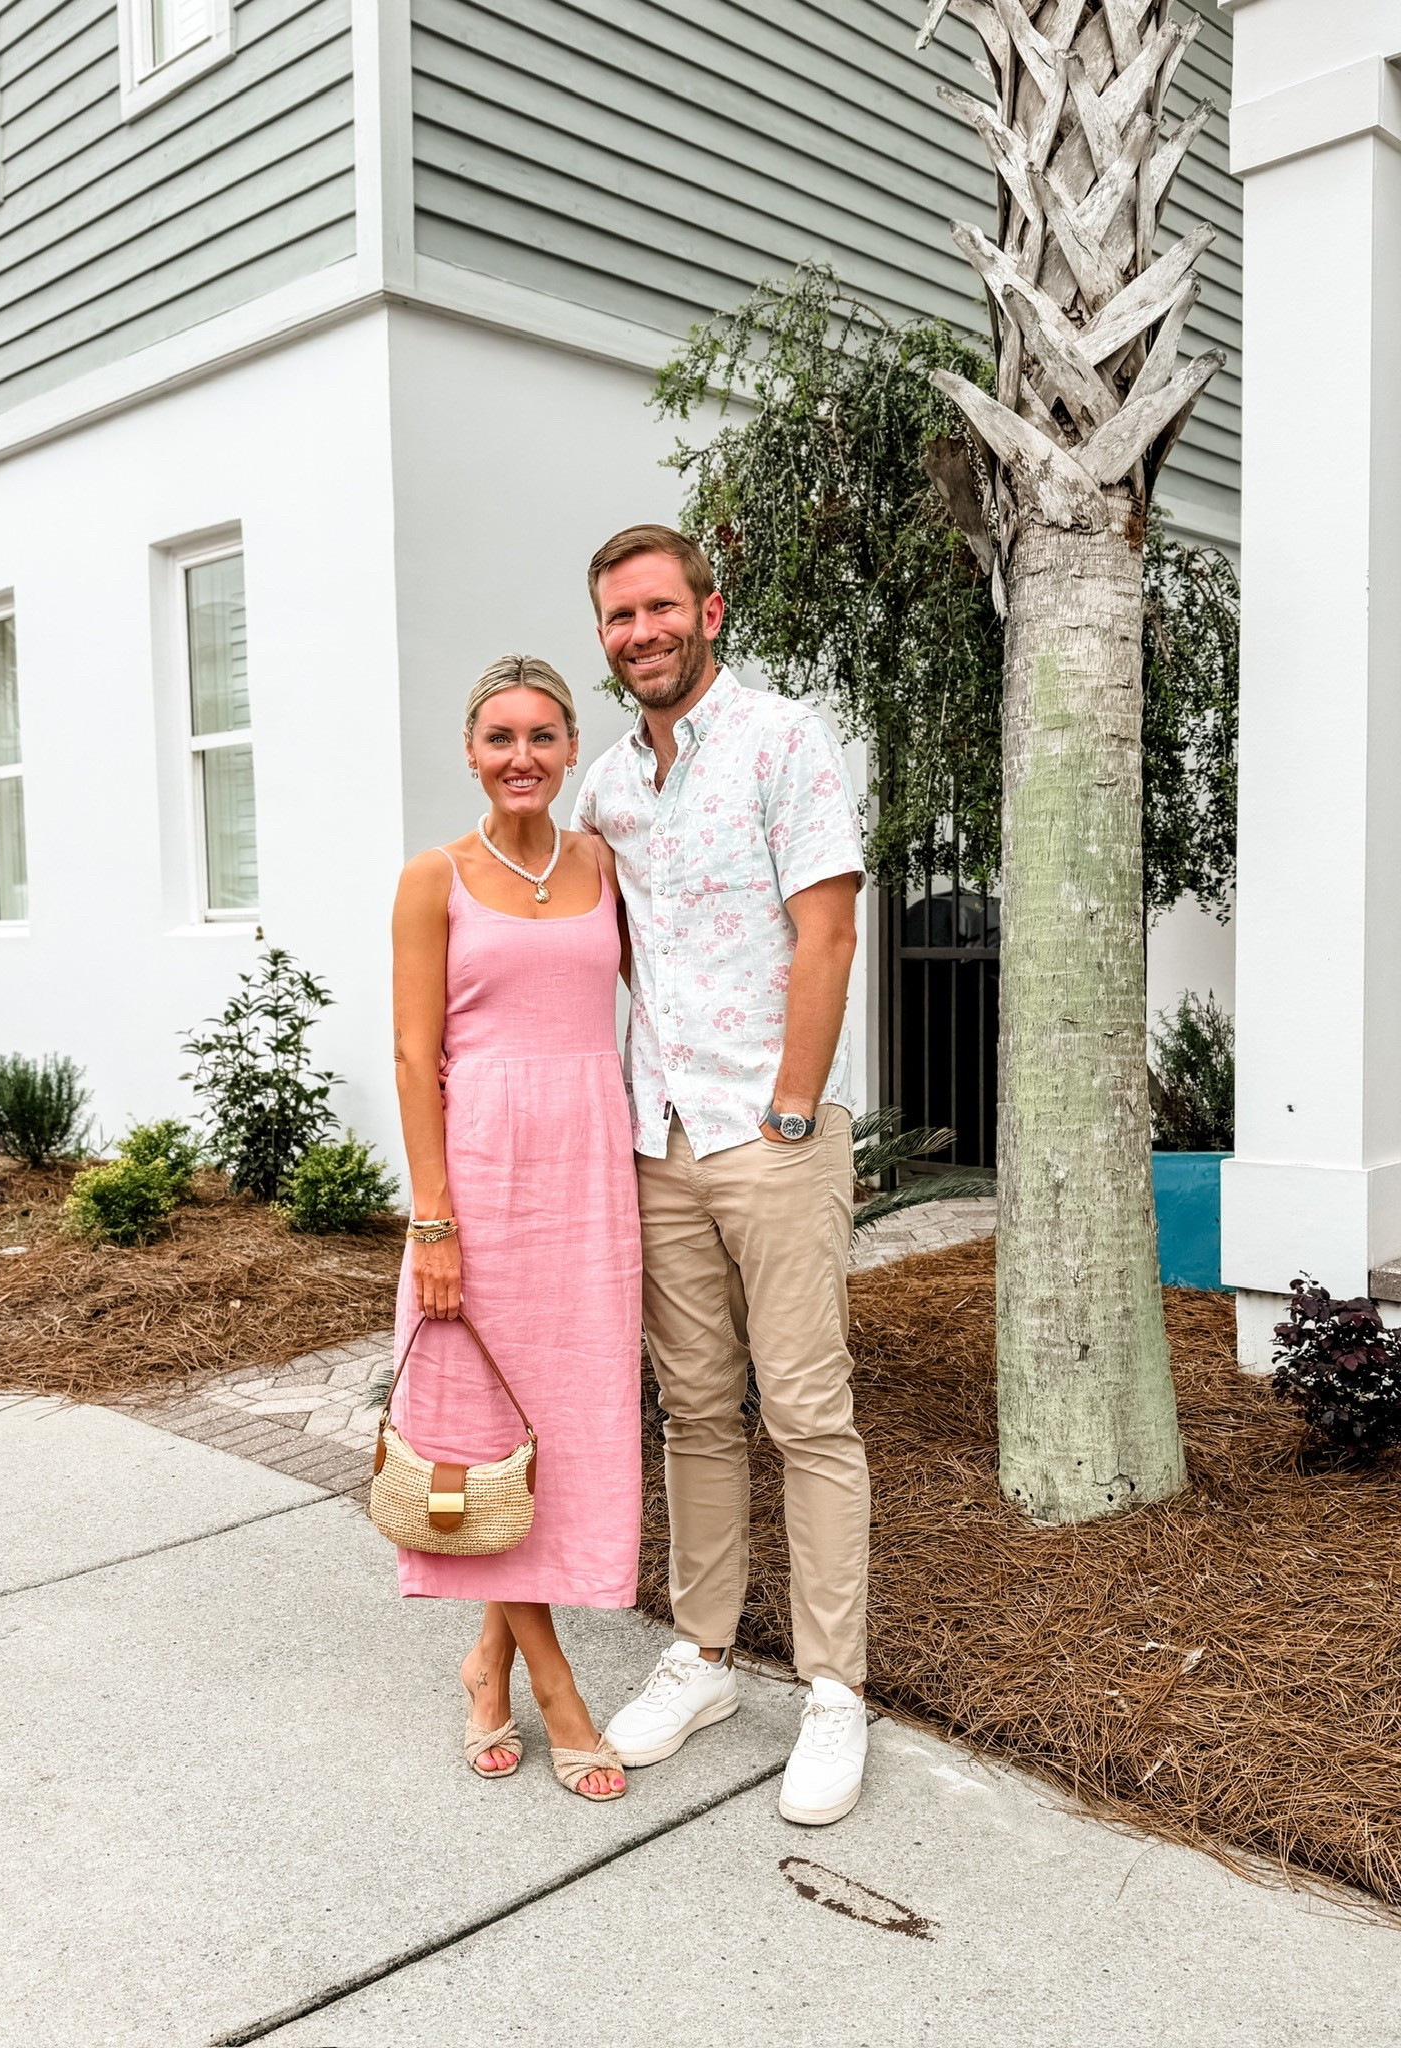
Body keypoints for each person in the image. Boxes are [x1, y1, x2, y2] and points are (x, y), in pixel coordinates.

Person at [573, 525, 871, 1827]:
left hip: (770, 1136)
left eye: (659, 607)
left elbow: (829, 932)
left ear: (710, 610)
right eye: (618, 617)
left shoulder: (784, 740)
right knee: (694, 1410)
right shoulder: (604, 787)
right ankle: (701, 1657)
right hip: (658, 1138)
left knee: (807, 1414)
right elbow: (599, 945)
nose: (640, 632)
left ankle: (834, 1690)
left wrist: (792, 1109)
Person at [389, 655, 640, 1802]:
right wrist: (433, 1218)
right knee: (485, 1427)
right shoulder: (432, 877)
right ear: (471, 751)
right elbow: (414, 1056)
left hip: (587, 1177)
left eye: (542, 735)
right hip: (482, 1179)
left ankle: (485, 1656)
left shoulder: (605, 864)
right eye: (500, 737)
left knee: (564, 1424)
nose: (521, 756)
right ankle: (555, 1684)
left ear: (572, 745)